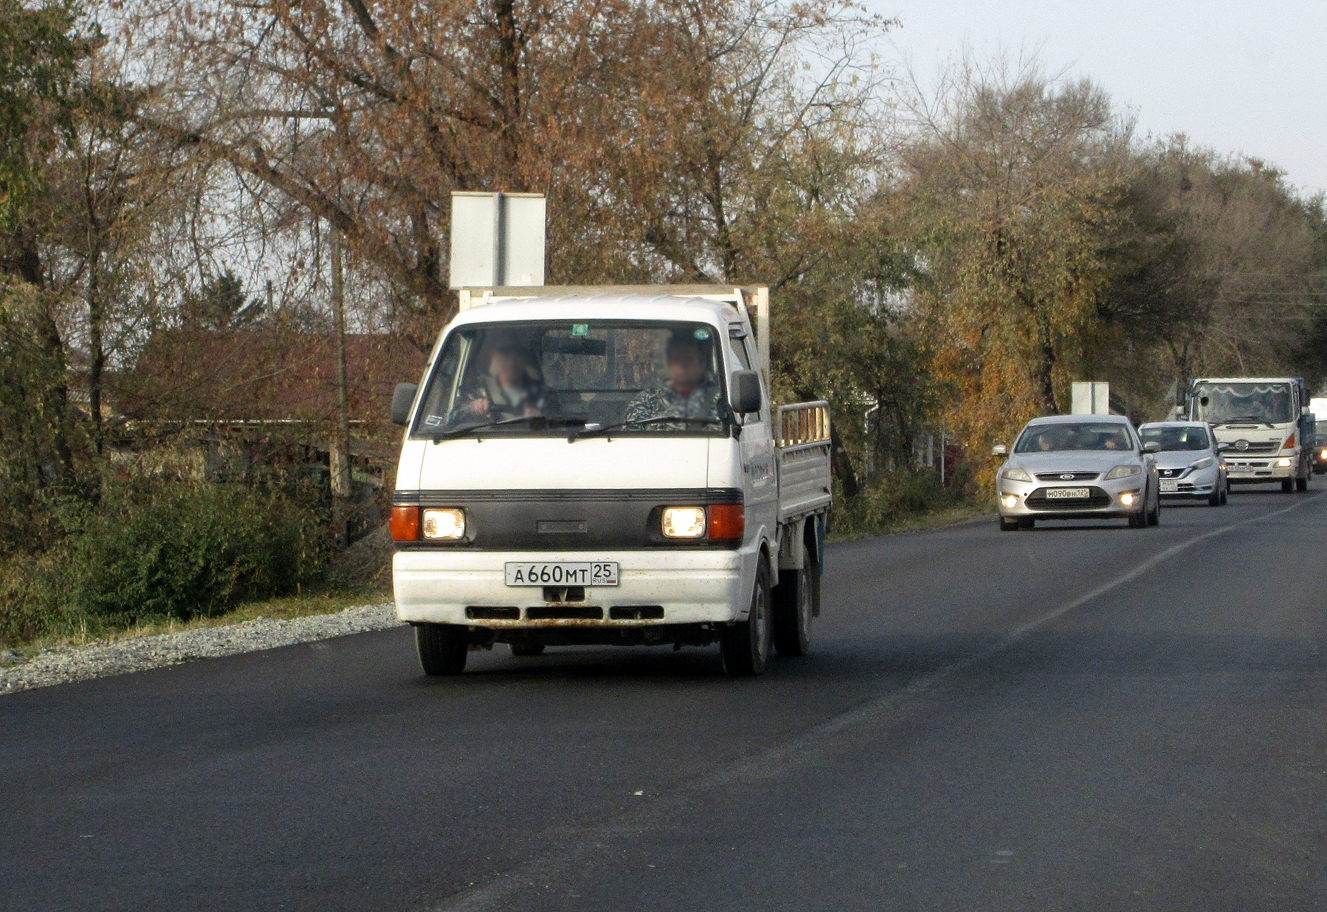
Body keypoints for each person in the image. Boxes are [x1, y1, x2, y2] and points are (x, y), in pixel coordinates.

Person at [623, 331, 722, 427]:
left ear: (702, 363)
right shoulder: (646, 401)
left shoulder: (720, 400)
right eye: (677, 360)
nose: (683, 366)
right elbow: (629, 440)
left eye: (688, 359)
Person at [464, 334, 557, 421]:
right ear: (494, 357)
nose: (512, 361)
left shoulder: (545, 395)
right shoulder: (477, 389)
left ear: (525, 359)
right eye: (505, 353)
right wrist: (473, 409)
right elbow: (454, 420)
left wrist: (539, 419)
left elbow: (557, 427)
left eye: (517, 354)